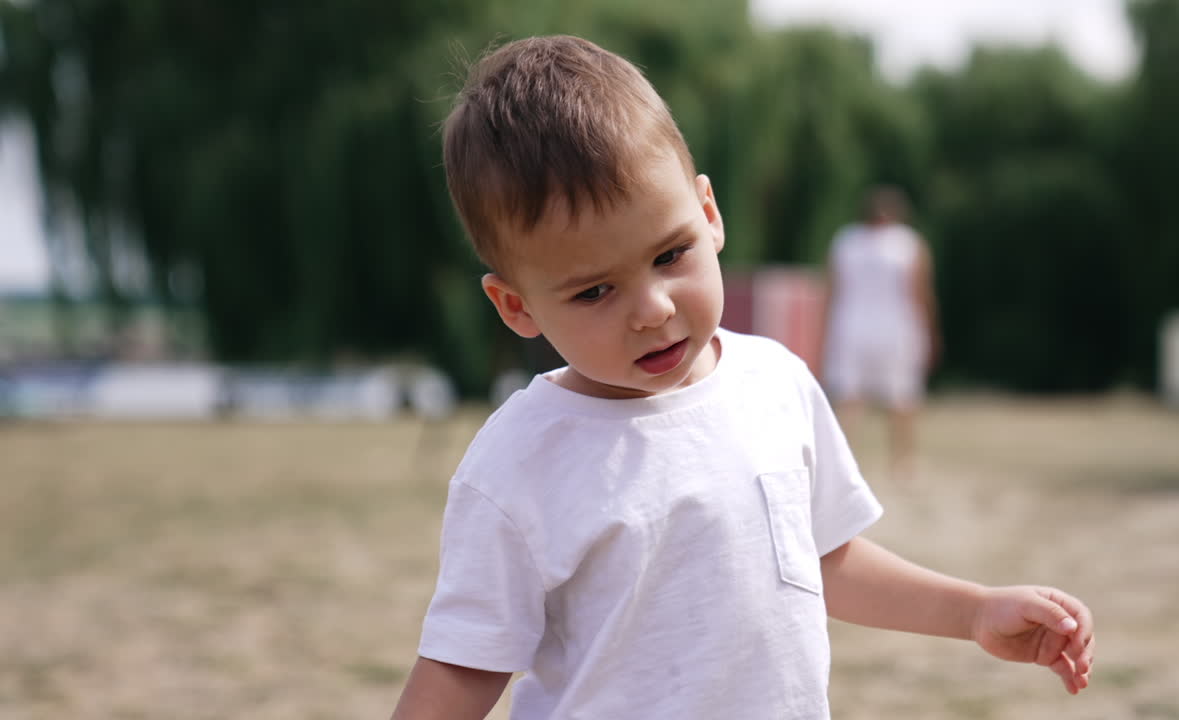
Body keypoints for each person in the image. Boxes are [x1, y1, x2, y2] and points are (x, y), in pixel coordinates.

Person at [391, 36, 1093, 720]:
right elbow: (461, 667)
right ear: (516, 306)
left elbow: (822, 558)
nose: (654, 309)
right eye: (594, 293)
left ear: (709, 213)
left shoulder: (775, 383)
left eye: (670, 255)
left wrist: (974, 611)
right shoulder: (519, 462)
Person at [821, 186, 941, 483]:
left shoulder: (845, 241)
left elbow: (832, 291)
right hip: (897, 327)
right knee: (902, 397)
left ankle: (843, 464)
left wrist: (824, 332)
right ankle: (903, 463)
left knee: (851, 398)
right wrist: (931, 331)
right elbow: (921, 292)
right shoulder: (909, 243)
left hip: (851, 325)